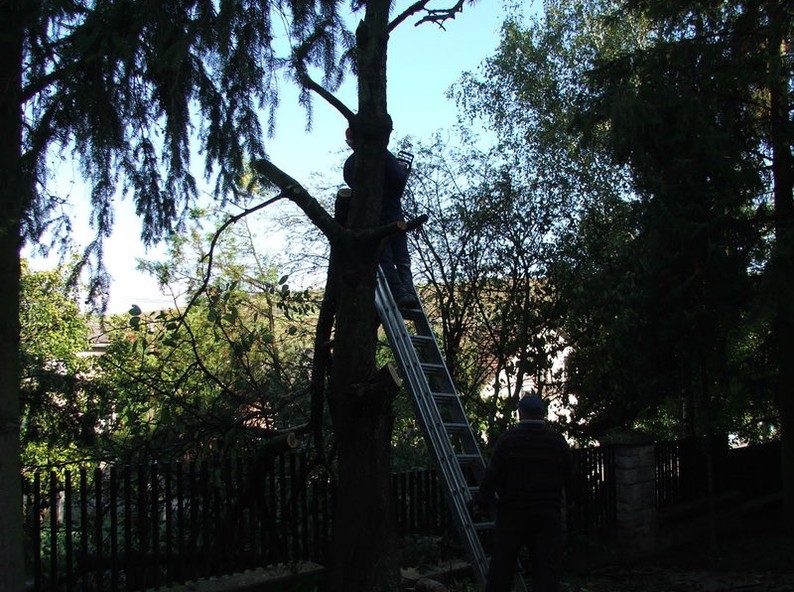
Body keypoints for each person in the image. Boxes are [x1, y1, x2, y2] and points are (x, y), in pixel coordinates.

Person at [474, 393, 577, 592]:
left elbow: (492, 475)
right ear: (543, 414)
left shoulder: (508, 440)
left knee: (502, 566)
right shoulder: (557, 441)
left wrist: (481, 502)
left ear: (520, 413)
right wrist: (575, 501)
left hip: (513, 514)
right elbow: (571, 476)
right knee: (546, 570)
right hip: (547, 514)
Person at [342, 127, 419, 310]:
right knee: (400, 259)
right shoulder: (383, 155)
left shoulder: (351, 163)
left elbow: (352, 185)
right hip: (392, 214)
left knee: (386, 258)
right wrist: (401, 172)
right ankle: (405, 292)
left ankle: (401, 293)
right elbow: (398, 180)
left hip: (374, 219)